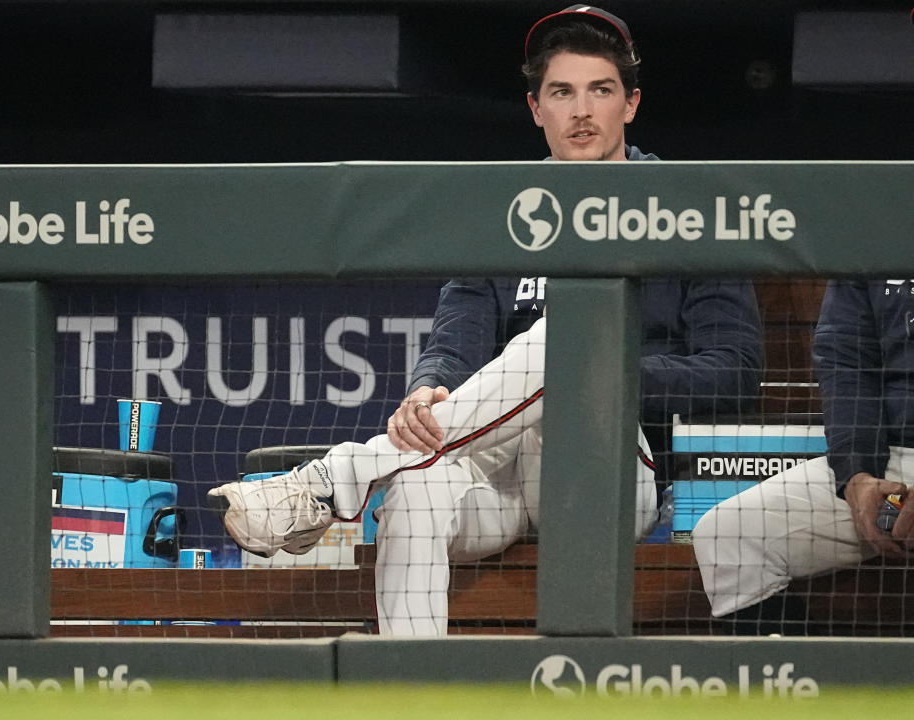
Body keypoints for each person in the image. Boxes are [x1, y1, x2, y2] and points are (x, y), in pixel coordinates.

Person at [209, 5, 763, 636]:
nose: (582, 111)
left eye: (600, 90)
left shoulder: (689, 214)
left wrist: (605, 377)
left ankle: (335, 477)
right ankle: (407, 694)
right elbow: (454, 341)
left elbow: (734, 373)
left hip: (612, 478)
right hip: (494, 475)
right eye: (562, 92)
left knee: (571, 342)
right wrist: (428, 390)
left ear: (630, 104)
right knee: (414, 492)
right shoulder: (504, 215)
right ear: (536, 109)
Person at [694, 279, 914, 635]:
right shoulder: (874, 232)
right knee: (730, 535)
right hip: (894, 464)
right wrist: (858, 477)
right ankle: (814, 688)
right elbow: (847, 363)